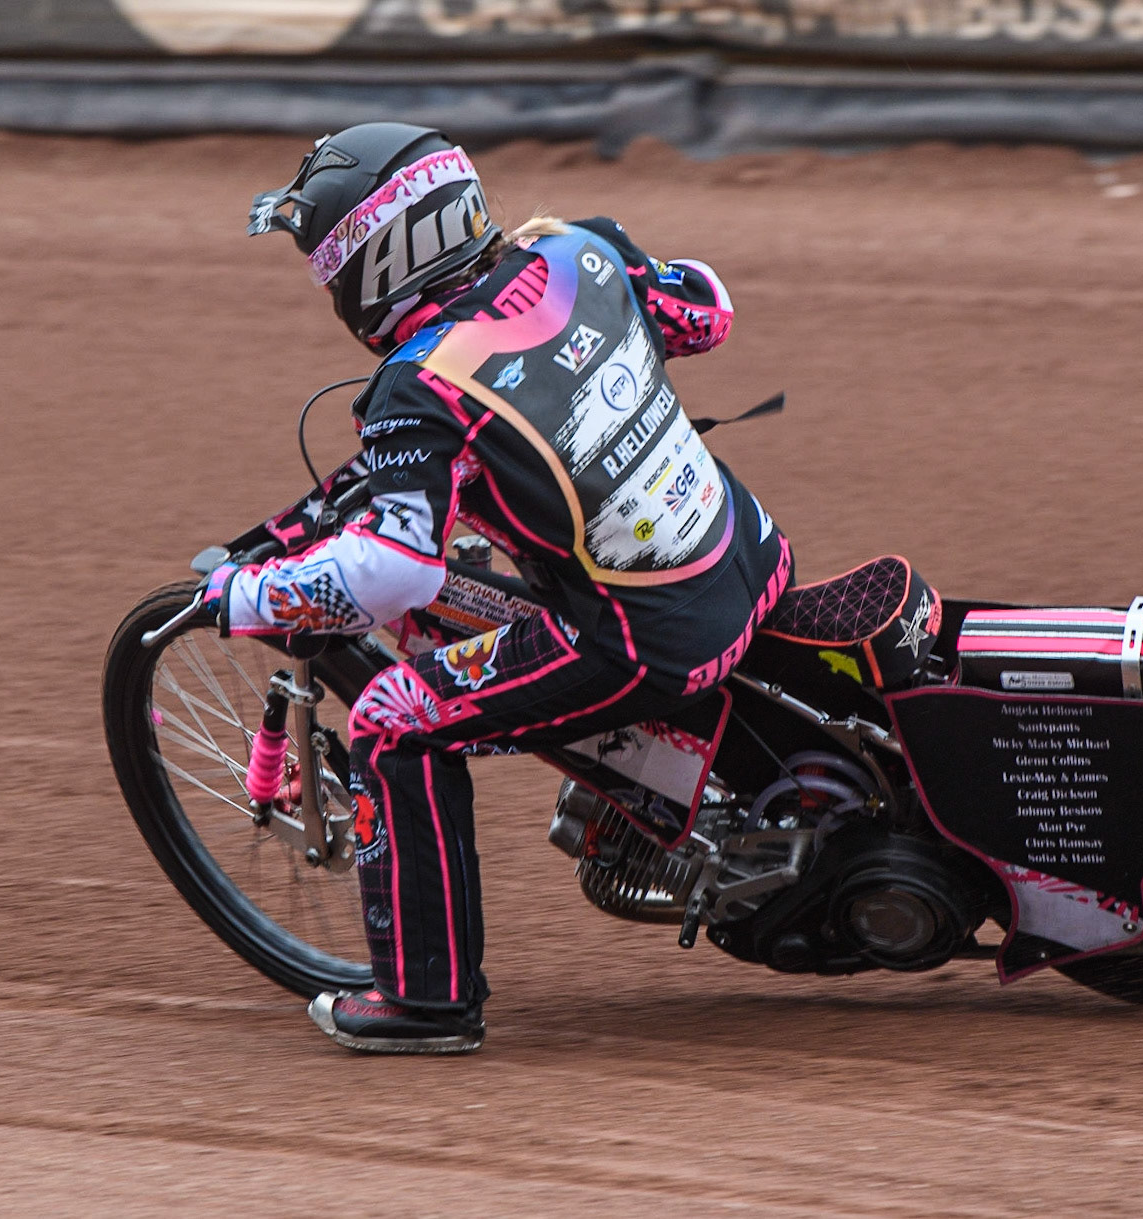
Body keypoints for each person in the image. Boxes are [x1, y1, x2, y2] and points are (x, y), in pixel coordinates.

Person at [206, 123, 794, 1053]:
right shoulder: (580, 246)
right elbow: (705, 312)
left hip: (648, 641)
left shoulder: (420, 383)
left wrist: (240, 601)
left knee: (395, 717)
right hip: (750, 551)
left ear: (376, 261)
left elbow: (393, 573)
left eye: (330, 269)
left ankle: (425, 1003)